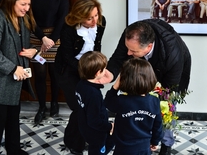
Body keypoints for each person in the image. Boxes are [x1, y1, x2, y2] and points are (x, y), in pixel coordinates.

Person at [104, 19, 191, 155]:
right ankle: (132, 134)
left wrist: (153, 100)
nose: (128, 53)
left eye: (133, 50)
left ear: (148, 47)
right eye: (128, 48)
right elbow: (118, 58)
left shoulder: (172, 54)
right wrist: (109, 74)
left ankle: (166, 144)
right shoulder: (131, 35)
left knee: (166, 108)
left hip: (169, 76)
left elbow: (169, 89)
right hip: (139, 75)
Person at [54, 0, 106, 154]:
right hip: (68, 70)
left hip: (89, 69)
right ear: (78, 16)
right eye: (89, 18)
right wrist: (87, 72)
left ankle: (85, 138)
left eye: (96, 15)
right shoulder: (68, 28)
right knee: (79, 108)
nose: (95, 21)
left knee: (89, 107)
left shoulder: (101, 22)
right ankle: (73, 143)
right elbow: (68, 57)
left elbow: (97, 47)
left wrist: (97, 69)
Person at [0, 0, 37, 155]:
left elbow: (22, 44)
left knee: (12, 120)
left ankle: (14, 150)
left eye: (28, 4)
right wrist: (12, 69)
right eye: (23, 4)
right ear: (11, 1)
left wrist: (34, 50)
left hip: (15, 82)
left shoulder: (21, 18)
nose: (27, 8)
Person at [28, 0, 69, 124]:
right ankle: (41, 107)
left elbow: (63, 16)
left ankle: (54, 103)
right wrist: (42, 38)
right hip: (36, 37)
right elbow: (28, 16)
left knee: (54, 72)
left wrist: (51, 39)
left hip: (55, 38)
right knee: (39, 74)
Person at [104, 58, 163, 155]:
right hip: (144, 148)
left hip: (123, 148)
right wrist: (155, 141)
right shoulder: (154, 101)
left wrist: (116, 85)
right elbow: (158, 126)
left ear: (125, 80)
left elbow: (107, 102)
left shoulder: (122, 101)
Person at [76, 51, 114, 154]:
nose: (105, 71)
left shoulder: (81, 84)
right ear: (97, 73)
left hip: (84, 127)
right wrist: (110, 126)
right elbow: (94, 121)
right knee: (98, 150)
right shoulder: (94, 94)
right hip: (96, 132)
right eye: (104, 69)